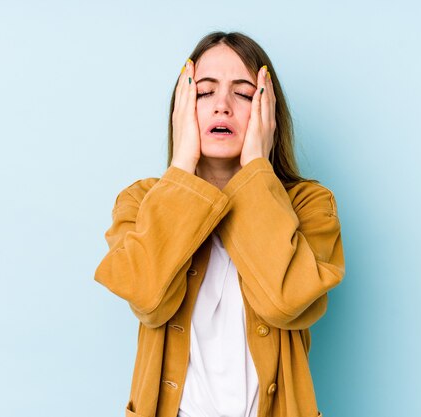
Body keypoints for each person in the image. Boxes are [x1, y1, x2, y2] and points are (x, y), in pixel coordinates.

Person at [94, 31, 345, 417]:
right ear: (181, 109)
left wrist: (256, 172)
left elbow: (285, 303)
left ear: (267, 112)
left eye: (244, 94)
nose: (222, 106)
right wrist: (181, 166)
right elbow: (147, 298)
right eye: (205, 92)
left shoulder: (310, 205)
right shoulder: (141, 201)